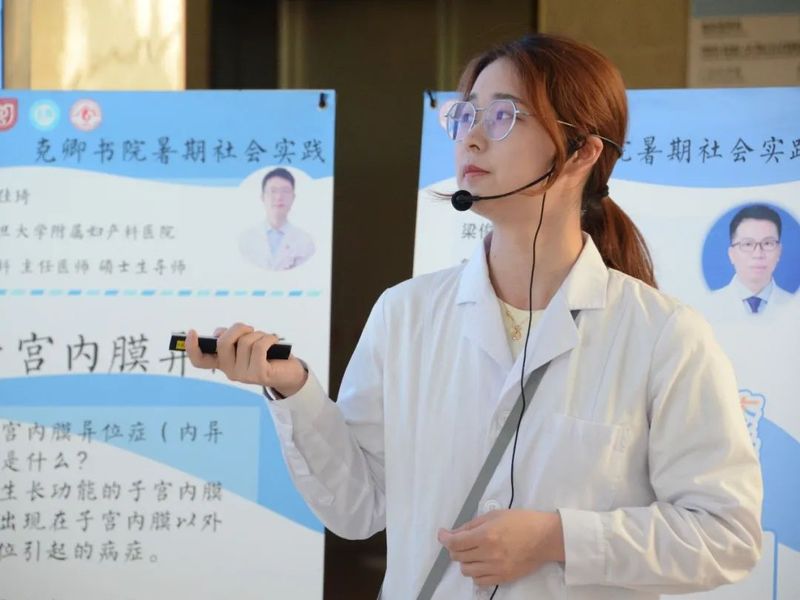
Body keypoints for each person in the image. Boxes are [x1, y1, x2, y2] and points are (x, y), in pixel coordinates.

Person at [187, 34, 762, 599]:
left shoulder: (663, 336)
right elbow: (358, 506)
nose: (473, 138)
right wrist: (292, 388)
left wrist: (559, 538)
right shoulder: (405, 314)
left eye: (505, 116)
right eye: (466, 115)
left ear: (583, 152)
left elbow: (726, 534)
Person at [712, 204, 793, 316]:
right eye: (748, 244)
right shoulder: (709, 305)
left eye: (767, 243)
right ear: (732, 254)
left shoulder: (795, 305)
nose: (758, 254)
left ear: (779, 251)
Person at [239, 167, 316, 270]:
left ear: (293, 197)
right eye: (273, 191)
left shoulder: (305, 242)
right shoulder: (246, 239)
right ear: (262, 197)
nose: (279, 197)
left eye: (285, 191)